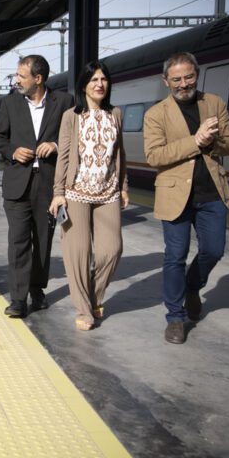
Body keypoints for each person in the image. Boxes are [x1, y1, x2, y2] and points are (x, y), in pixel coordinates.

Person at [143, 51, 229, 344]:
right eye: (176, 79)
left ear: (197, 75)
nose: (183, 84)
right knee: (175, 256)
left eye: (189, 77)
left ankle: (192, 287)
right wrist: (195, 141)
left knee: (214, 250)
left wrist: (215, 142)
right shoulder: (155, 114)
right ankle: (175, 317)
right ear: (166, 80)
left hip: (212, 193)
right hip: (175, 196)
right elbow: (154, 155)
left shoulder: (214, 103)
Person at [48, 62, 129, 331]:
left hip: (108, 192)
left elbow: (120, 153)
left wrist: (123, 186)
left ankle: (94, 295)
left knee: (112, 249)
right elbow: (64, 157)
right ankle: (84, 308)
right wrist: (58, 193)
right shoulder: (72, 115)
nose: (99, 84)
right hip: (76, 193)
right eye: (94, 79)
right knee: (78, 252)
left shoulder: (115, 113)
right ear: (84, 85)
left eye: (104, 79)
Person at [0, 55, 73, 318]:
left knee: (43, 239)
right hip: (18, 184)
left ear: (38, 79)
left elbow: (74, 136)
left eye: (21, 76)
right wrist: (14, 152)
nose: (16, 80)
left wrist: (56, 146)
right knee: (18, 241)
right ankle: (18, 299)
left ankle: (37, 289)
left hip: (48, 184)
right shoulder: (10, 103)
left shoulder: (64, 102)